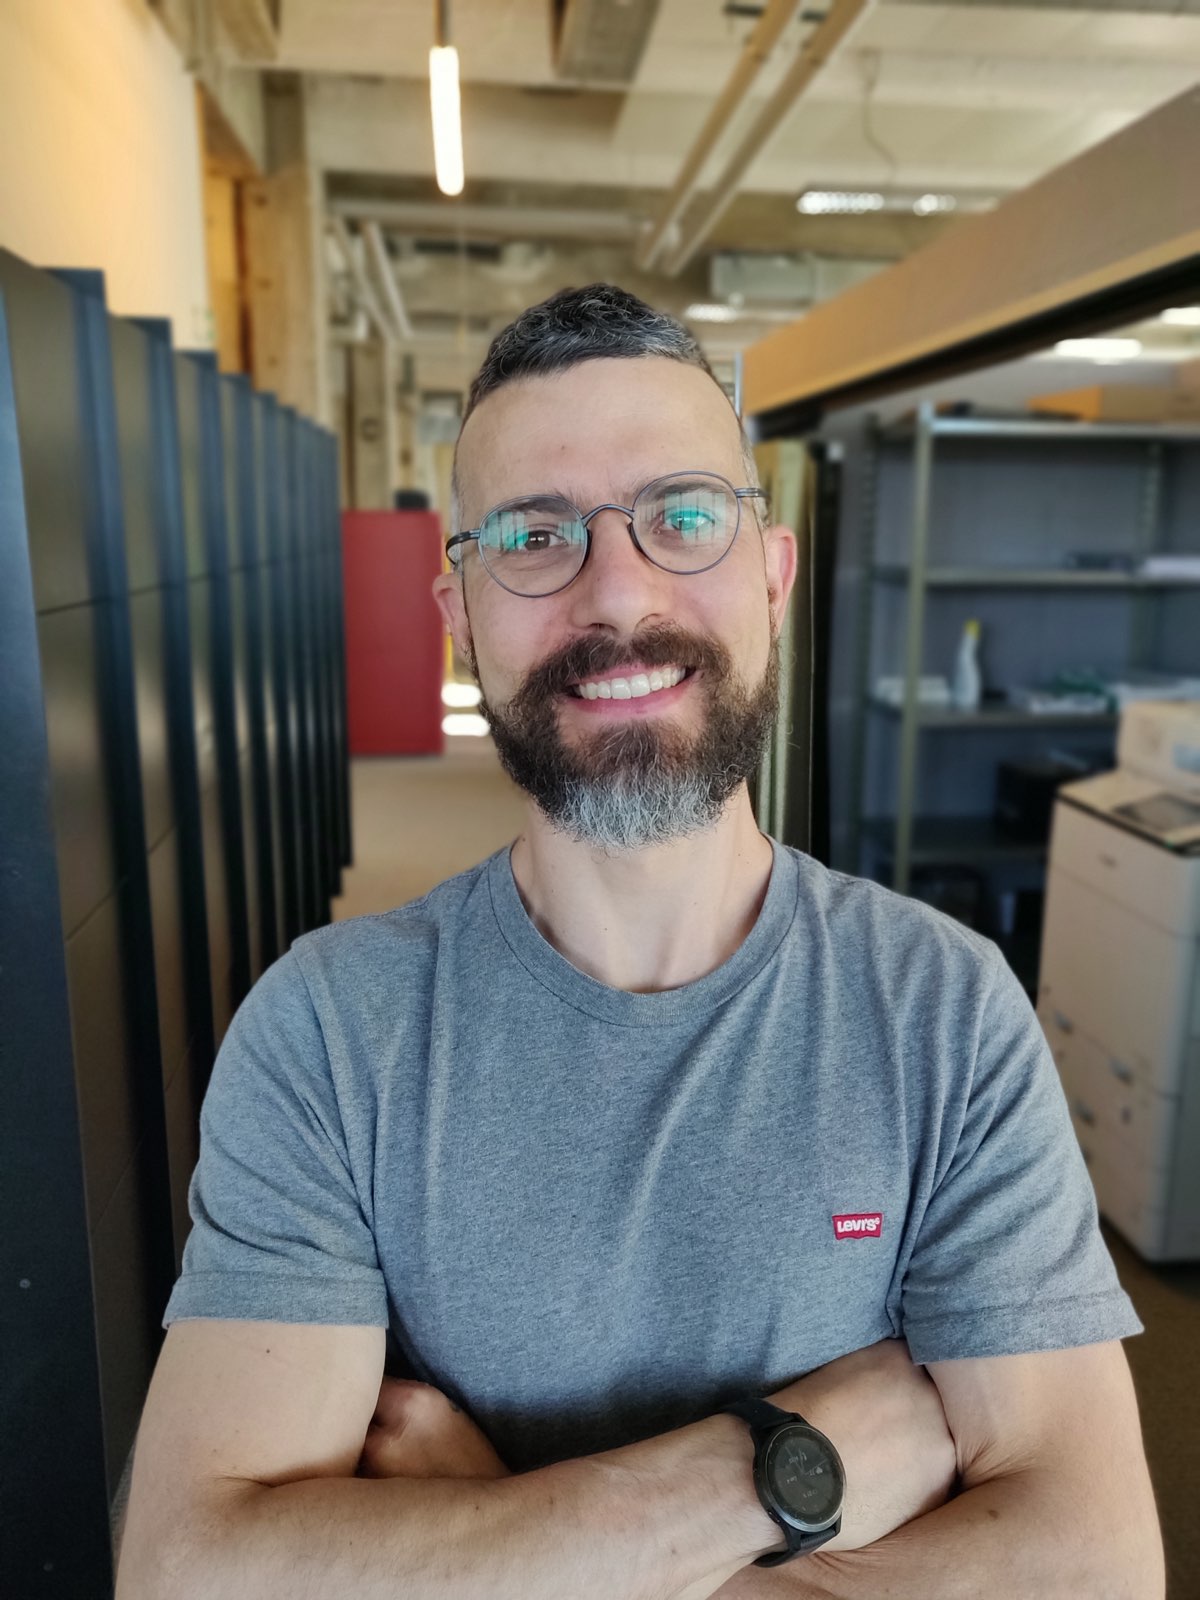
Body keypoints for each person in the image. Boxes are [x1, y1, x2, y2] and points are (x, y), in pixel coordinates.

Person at [116, 285, 1162, 1599]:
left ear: (771, 576)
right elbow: (192, 1572)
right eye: (535, 535)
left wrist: (494, 1525)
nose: (618, 591)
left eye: (683, 516)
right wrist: (769, 1474)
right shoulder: (329, 1032)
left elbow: (1094, 1565)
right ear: (459, 612)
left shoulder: (941, 1010)